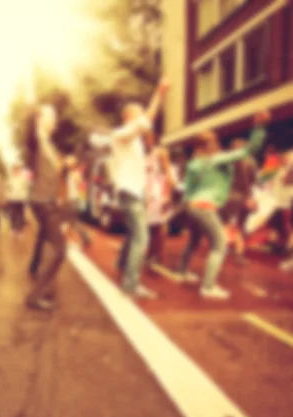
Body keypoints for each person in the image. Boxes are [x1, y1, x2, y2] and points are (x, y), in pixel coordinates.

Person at [89, 77, 170, 298]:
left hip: (134, 193)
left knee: (134, 234)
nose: (143, 116)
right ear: (128, 118)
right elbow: (146, 121)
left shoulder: (133, 140)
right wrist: (159, 93)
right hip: (130, 193)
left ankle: (122, 264)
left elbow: (144, 123)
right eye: (138, 113)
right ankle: (130, 285)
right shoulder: (121, 135)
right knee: (140, 239)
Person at [177, 110, 270, 299]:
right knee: (219, 245)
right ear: (211, 143)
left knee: (193, 240)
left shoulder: (193, 163)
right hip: (206, 207)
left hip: (192, 206)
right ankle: (208, 287)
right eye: (215, 141)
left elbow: (188, 189)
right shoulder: (217, 159)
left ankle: (182, 271)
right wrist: (259, 127)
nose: (218, 144)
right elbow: (247, 151)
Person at [24, 103, 75, 311]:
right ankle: (35, 296)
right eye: (50, 116)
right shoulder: (37, 139)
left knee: (47, 243)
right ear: (39, 119)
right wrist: (32, 113)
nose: (55, 119)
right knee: (61, 249)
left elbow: (54, 170)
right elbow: (30, 132)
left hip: (48, 200)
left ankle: (36, 270)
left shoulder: (49, 144)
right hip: (42, 201)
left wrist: (66, 164)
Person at [219, 138, 258, 264]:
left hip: (228, 197)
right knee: (241, 226)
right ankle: (239, 254)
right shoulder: (251, 161)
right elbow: (253, 182)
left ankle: (223, 249)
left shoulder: (227, 161)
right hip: (244, 197)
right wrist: (250, 197)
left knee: (227, 225)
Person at [144, 133, 176, 266]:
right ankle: (152, 253)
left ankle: (157, 255)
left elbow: (170, 176)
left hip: (159, 194)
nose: (145, 141)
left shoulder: (160, 153)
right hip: (150, 194)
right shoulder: (147, 156)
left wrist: (167, 195)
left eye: (146, 138)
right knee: (151, 226)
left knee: (159, 226)